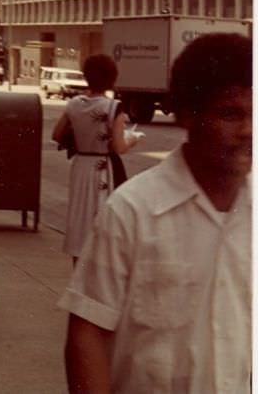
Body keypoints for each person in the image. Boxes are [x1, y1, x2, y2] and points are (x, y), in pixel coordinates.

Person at [60, 32, 252, 394]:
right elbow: (88, 334)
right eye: (230, 114)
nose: (249, 131)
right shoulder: (133, 212)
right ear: (188, 116)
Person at [51, 54, 142, 263]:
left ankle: (78, 272)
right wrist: (133, 140)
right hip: (103, 169)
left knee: (80, 220)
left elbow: (56, 134)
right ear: (112, 78)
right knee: (102, 219)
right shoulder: (113, 107)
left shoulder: (74, 104)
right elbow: (119, 146)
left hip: (81, 166)